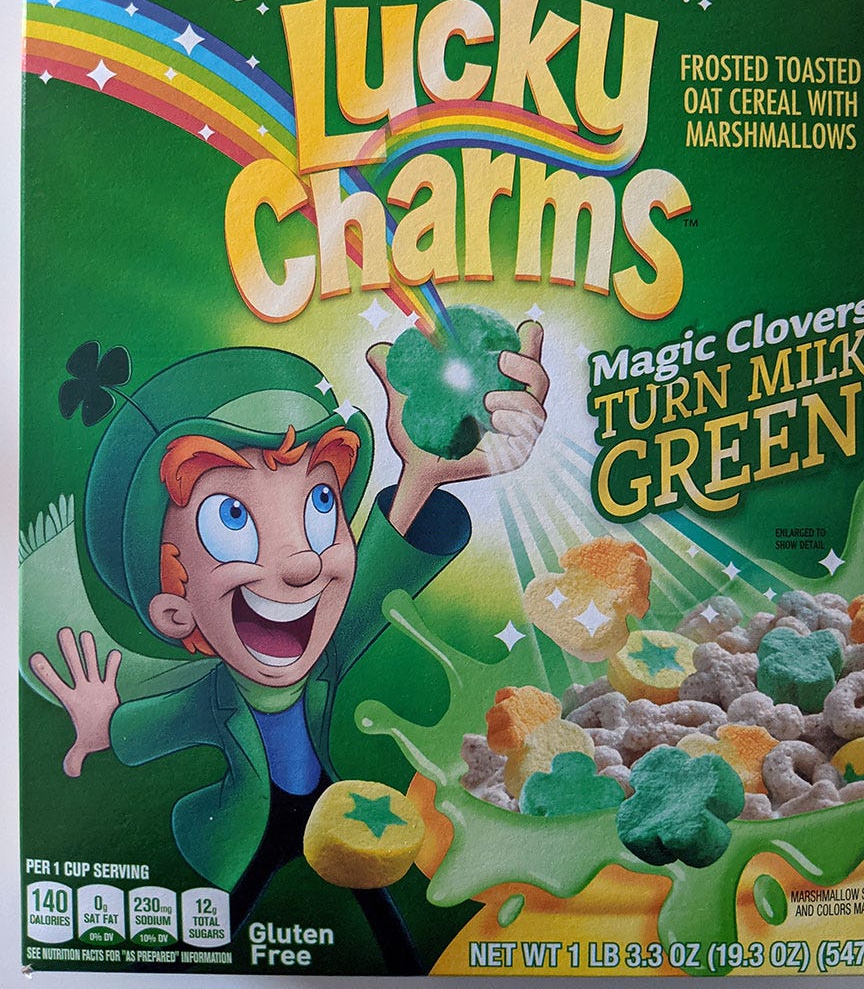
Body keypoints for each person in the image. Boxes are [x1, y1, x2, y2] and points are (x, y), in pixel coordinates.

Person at [30, 326, 548, 971]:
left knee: (384, 915)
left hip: (336, 806)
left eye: (320, 503)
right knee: (214, 934)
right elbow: (154, 725)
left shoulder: (326, 649)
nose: (303, 564)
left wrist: (422, 475)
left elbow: (378, 573)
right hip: (254, 824)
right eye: (232, 520)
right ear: (173, 607)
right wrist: (100, 724)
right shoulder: (216, 696)